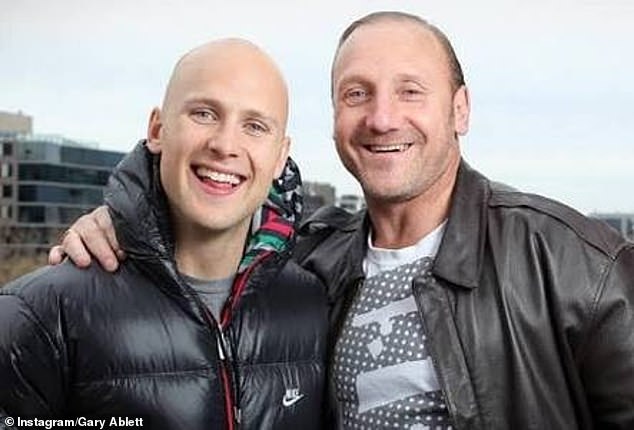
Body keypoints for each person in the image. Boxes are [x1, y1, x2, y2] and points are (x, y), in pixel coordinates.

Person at [49, 11, 634, 429]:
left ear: (460, 110)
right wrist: (123, 220)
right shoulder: (304, 266)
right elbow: (208, 238)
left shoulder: (574, 263)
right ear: (333, 117)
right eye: (357, 94)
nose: (382, 118)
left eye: (410, 92)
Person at [0, 38, 328, 429]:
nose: (225, 145)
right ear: (158, 129)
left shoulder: (312, 304)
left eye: (255, 126)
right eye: (204, 113)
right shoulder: (41, 312)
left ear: (279, 156)